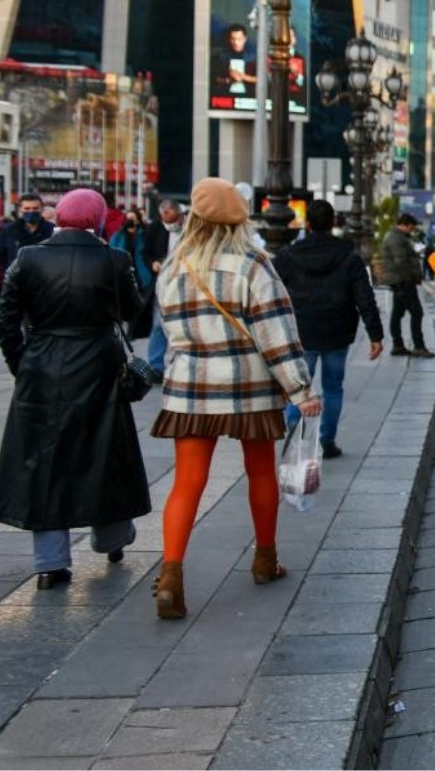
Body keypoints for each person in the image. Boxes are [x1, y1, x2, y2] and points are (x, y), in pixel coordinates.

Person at [150, 177, 322, 620]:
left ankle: (171, 574)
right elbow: (277, 334)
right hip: (248, 384)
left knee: (188, 481)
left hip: (189, 386)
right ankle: (265, 558)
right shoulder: (253, 265)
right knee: (260, 469)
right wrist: (301, 390)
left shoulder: (175, 266)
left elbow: (170, 331)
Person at [0, 189, 151, 590]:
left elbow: (6, 319)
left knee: (43, 462)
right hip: (99, 365)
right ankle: (112, 538)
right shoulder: (113, 259)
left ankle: (51, 564)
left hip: (42, 365)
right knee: (106, 453)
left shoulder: (28, 258)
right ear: (97, 219)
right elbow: (135, 312)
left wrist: (23, 364)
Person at [273, 200, 384, 461]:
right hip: (337, 331)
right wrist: (375, 334)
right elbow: (364, 296)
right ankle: (327, 441)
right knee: (333, 386)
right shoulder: (348, 256)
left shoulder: (288, 256)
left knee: (297, 386)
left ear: (307, 224)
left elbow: (272, 291)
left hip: (301, 332)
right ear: (333, 222)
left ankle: (294, 436)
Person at [380, 214, 434, 358]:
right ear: (405, 224)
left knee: (397, 313)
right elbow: (401, 262)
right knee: (417, 313)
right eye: (411, 227)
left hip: (400, 281)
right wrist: (409, 280)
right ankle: (419, 346)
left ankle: (398, 345)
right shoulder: (396, 238)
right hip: (403, 282)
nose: (411, 230)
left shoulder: (397, 237)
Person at [142, 198, 184, 374]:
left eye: (171, 218)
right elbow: (146, 252)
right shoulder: (155, 229)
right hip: (161, 281)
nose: (167, 222)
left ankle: (177, 361)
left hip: (181, 280)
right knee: (158, 323)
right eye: (164, 218)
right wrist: (152, 263)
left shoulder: (189, 230)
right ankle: (155, 366)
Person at [109, 208, 155, 337]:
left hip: (140, 274)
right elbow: (112, 250)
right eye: (128, 219)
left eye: (133, 219)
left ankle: (133, 331)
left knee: (139, 303)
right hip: (124, 272)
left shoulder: (143, 234)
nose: (130, 222)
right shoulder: (119, 235)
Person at [0, 193, 55, 285]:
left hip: (44, 283)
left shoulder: (52, 231)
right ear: (21, 209)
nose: (31, 211)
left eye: (35, 208)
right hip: (15, 283)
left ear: (41, 209)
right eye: (27, 209)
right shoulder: (10, 231)